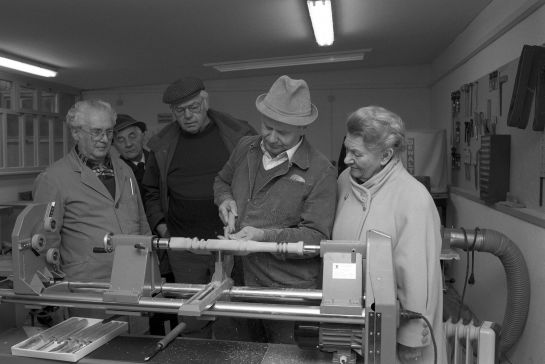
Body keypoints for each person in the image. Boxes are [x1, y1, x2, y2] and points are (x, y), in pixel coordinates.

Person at [213, 75, 337, 344]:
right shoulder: (245, 147)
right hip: (240, 276)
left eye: (283, 132)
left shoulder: (321, 170)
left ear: (303, 128)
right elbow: (222, 180)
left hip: (287, 288)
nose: (271, 137)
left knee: (284, 357)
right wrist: (225, 199)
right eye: (267, 127)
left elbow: (316, 236)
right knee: (239, 354)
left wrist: (262, 238)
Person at [142, 77, 256, 337]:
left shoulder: (238, 135)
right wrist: (162, 228)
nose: (188, 116)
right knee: (191, 319)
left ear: (205, 102)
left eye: (193, 107)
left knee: (232, 319)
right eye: (180, 111)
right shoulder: (162, 145)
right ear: (172, 113)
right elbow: (149, 191)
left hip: (230, 245)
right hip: (183, 247)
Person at [332, 106, 446, 363]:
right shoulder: (344, 182)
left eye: (356, 153)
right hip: (352, 322)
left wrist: (411, 342)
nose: (347, 159)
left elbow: (419, 279)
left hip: (393, 333)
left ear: (386, 155)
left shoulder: (413, 199)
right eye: (346, 148)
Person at [33, 100, 151, 283]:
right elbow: (44, 240)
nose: (104, 139)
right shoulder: (53, 178)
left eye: (109, 132)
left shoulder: (124, 169)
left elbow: (142, 223)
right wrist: (50, 290)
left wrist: (152, 271)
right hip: (87, 285)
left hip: (134, 277)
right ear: (76, 133)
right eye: (96, 132)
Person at [113, 114, 149, 200]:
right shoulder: (114, 173)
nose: (128, 144)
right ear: (114, 145)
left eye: (132, 136)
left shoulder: (160, 163)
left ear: (143, 135)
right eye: (120, 140)